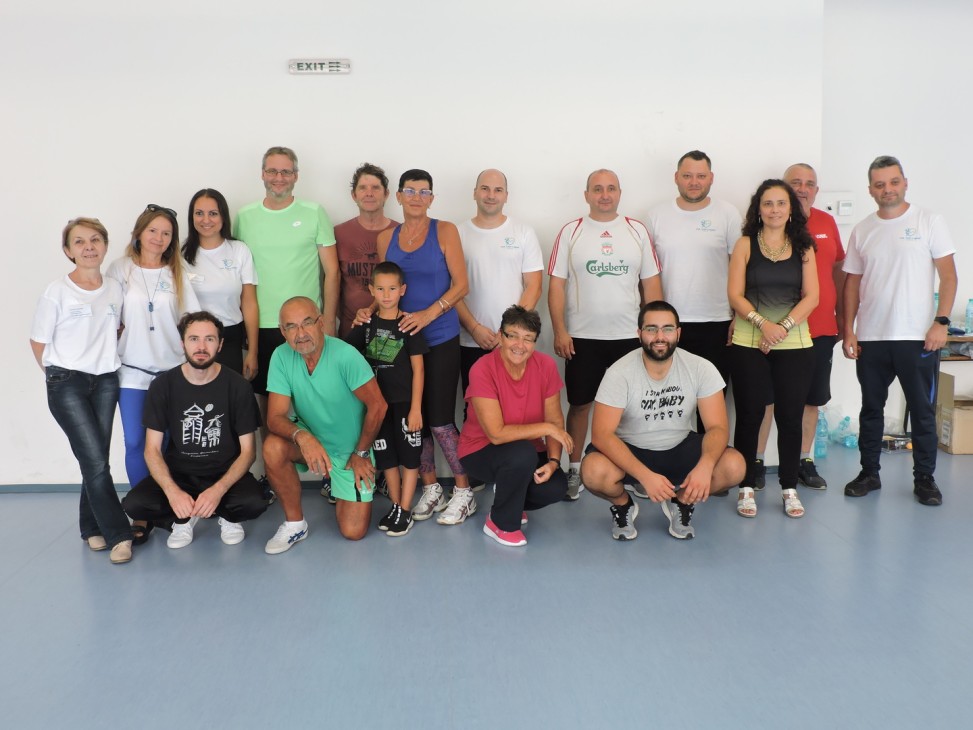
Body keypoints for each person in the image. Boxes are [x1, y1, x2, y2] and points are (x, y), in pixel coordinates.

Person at [842, 155, 957, 506]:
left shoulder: (928, 220)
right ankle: (869, 473)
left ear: (905, 183)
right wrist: (848, 330)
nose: (887, 189)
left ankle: (925, 479)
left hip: (917, 337)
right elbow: (852, 284)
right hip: (872, 336)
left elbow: (948, 276)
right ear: (870, 189)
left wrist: (941, 322)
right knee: (871, 409)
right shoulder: (863, 229)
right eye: (880, 184)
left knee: (922, 411)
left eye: (893, 182)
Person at [582, 300, 744, 541]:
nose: (660, 337)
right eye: (651, 329)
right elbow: (602, 435)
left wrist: (706, 465)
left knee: (735, 465)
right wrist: (645, 476)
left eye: (667, 329)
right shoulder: (619, 372)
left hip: (679, 446)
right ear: (639, 333)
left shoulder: (701, 367)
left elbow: (718, 427)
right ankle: (623, 505)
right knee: (592, 471)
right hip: (632, 450)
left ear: (678, 333)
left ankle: (681, 502)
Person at [548, 169, 662, 500]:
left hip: (630, 338)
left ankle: (636, 470)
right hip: (582, 338)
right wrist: (560, 330)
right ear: (586, 195)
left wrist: (654, 333)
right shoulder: (571, 231)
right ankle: (574, 469)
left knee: (635, 407)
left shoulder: (636, 230)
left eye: (611, 188)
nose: (604, 194)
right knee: (580, 405)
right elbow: (556, 286)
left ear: (619, 193)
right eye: (597, 189)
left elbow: (651, 286)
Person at [372, 168, 473, 525]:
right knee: (413, 420)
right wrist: (368, 312)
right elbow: (384, 286)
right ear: (398, 196)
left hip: (440, 336)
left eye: (424, 191)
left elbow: (461, 285)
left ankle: (464, 490)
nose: (417, 197)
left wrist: (428, 314)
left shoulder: (445, 231)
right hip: (401, 341)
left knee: (441, 419)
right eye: (410, 191)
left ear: (432, 198)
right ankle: (431, 487)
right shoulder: (387, 238)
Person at [30, 217, 133, 564]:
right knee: (95, 460)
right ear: (68, 250)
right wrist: (57, 376)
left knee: (95, 458)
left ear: (105, 245)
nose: (89, 247)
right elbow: (38, 341)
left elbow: (116, 329)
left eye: (95, 240)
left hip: (105, 380)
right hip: (67, 383)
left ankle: (91, 528)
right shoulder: (56, 291)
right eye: (79, 242)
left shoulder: (115, 288)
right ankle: (119, 534)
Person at [121, 312, 269, 548]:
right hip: (180, 475)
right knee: (135, 504)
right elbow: (152, 450)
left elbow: (248, 451)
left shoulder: (238, 386)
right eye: (194, 339)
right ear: (183, 344)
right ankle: (183, 518)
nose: (201, 347)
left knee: (255, 503)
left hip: (224, 472)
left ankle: (226, 516)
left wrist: (218, 490)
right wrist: (172, 492)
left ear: (220, 344)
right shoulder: (162, 386)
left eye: (209, 339)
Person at [107, 204, 200, 544]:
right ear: (139, 232)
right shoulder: (120, 269)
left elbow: (192, 321)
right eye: (153, 231)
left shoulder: (178, 272)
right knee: (136, 442)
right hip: (132, 372)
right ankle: (143, 511)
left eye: (166, 233)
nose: (159, 238)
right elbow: (107, 313)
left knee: (170, 444)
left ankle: (174, 506)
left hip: (171, 373)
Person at [263, 297, 387, 552]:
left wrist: (361, 453)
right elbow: (274, 417)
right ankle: (295, 524)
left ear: (320, 323)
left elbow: (378, 406)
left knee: (353, 531)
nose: (300, 334)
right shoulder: (280, 356)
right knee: (273, 447)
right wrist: (303, 437)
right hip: (311, 440)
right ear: (282, 331)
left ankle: (338, 482)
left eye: (307, 323)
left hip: (349, 452)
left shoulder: (345, 355)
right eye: (291, 327)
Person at [728, 179, 819, 519]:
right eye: (768, 203)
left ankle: (788, 488)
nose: (775, 210)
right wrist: (762, 324)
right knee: (749, 415)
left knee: (790, 417)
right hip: (749, 341)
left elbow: (812, 296)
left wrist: (781, 327)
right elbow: (735, 294)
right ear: (758, 209)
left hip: (794, 342)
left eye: (782, 203)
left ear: (791, 210)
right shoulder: (745, 244)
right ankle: (746, 487)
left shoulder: (804, 247)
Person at [754, 164, 846, 490]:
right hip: (774, 330)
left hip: (819, 329)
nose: (803, 189)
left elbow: (838, 271)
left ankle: (804, 461)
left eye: (809, 184)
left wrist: (843, 320)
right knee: (765, 399)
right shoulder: (770, 227)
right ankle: (757, 461)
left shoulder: (827, 223)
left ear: (817, 190)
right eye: (796, 183)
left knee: (811, 400)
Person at [458, 306, 571, 547]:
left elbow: (555, 421)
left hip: (525, 452)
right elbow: (496, 434)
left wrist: (553, 462)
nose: (520, 345)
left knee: (556, 487)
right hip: (480, 450)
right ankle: (500, 523)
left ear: (535, 342)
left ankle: (510, 498)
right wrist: (547, 429)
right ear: (501, 336)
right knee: (522, 453)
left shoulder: (546, 366)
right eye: (513, 336)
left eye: (528, 338)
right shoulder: (482, 369)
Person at [232, 146, 338, 401]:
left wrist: (328, 322)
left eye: (286, 172)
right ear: (262, 174)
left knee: (313, 397)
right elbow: (237, 275)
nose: (278, 178)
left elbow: (332, 272)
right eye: (272, 171)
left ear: (296, 176)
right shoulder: (244, 217)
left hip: (307, 325)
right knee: (268, 401)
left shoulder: (314, 212)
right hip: (261, 324)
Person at [345, 262, 428, 537]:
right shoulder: (367, 324)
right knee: (387, 457)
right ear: (371, 290)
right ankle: (395, 505)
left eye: (392, 289)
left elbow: (419, 370)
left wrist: (416, 409)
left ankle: (406, 509)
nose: (386, 294)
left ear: (402, 290)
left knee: (409, 458)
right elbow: (345, 353)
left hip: (405, 404)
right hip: (377, 407)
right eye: (380, 289)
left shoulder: (409, 325)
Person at [645, 150, 741, 386]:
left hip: (717, 320)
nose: (694, 182)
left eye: (701, 176)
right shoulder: (655, 215)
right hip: (669, 323)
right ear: (676, 177)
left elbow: (740, 268)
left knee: (712, 392)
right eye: (687, 176)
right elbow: (646, 274)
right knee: (670, 394)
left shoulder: (728, 213)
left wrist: (739, 316)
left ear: (711, 178)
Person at [455, 169, 543, 394]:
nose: (491, 195)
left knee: (516, 403)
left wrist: (509, 332)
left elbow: (534, 286)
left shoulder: (524, 232)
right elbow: (451, 289)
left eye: (498, 190)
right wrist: (474, 328)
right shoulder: (457, 234)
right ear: (475, 192)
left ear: (506, 195)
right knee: (474, 406)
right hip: (472, 340)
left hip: (514, 342)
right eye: (485, 189)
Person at [183, 188, 259, 379]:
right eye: (199, 213)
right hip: (193, 339)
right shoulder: (180, 255)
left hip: (230, 337)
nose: (206, 220)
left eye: (213, 213)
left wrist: (253, 352)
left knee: (229, 393)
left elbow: (249, 303)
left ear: (223, 216)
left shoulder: (239, 250)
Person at [335, 163, 399, 339]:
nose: (369, 193)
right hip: (350, 328)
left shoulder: (400, 233)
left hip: (391, 329)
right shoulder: (338, 234)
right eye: (363, 188)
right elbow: (331, 282)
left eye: (375, 188)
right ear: (354, 195)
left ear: (386, 194)